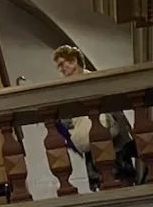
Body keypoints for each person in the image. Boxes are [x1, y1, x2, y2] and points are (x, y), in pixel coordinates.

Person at [52, 45, 138, 190]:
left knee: (124, 181)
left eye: (62, 64)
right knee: (103, 184)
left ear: (73, 61)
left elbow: (116, 110)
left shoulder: (96, 80)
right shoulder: (68, 91)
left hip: (114, 142)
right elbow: (65, 122)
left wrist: (128, 135)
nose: (61, 69)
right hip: (91, 144)